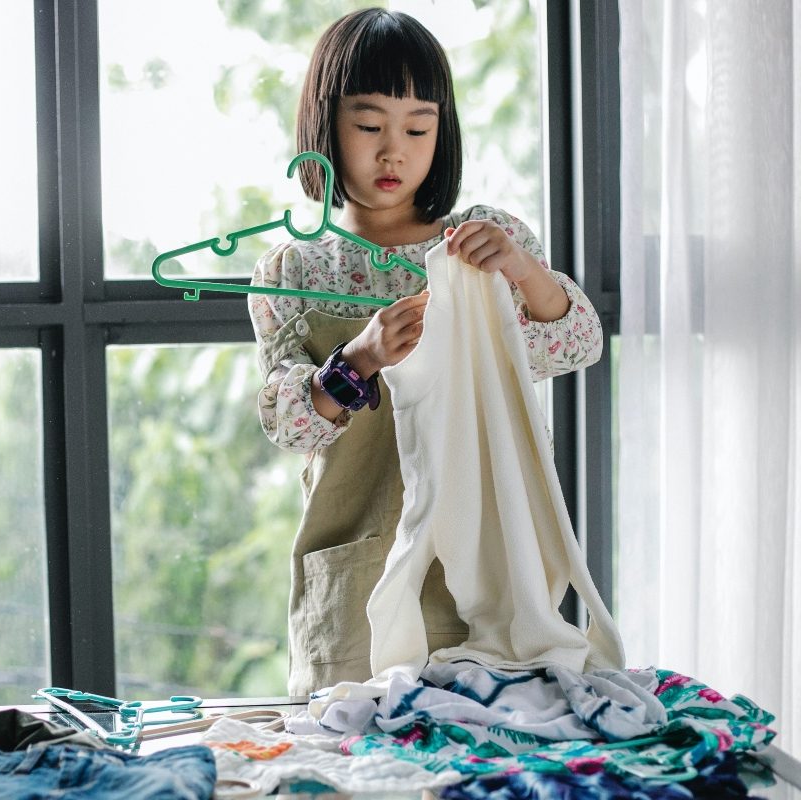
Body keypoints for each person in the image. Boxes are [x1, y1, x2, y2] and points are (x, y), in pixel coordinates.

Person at [248, 8, 603, 698]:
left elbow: (574, 343)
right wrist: (359, 358)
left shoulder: (483, 241)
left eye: (417, 128)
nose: (394, 152)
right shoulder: (291, 269)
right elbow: (291, 425)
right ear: (324, 127)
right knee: (360, 755)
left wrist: (524, 274)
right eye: (369, 124)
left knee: (494, 746)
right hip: (359, 564)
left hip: (489, 556)